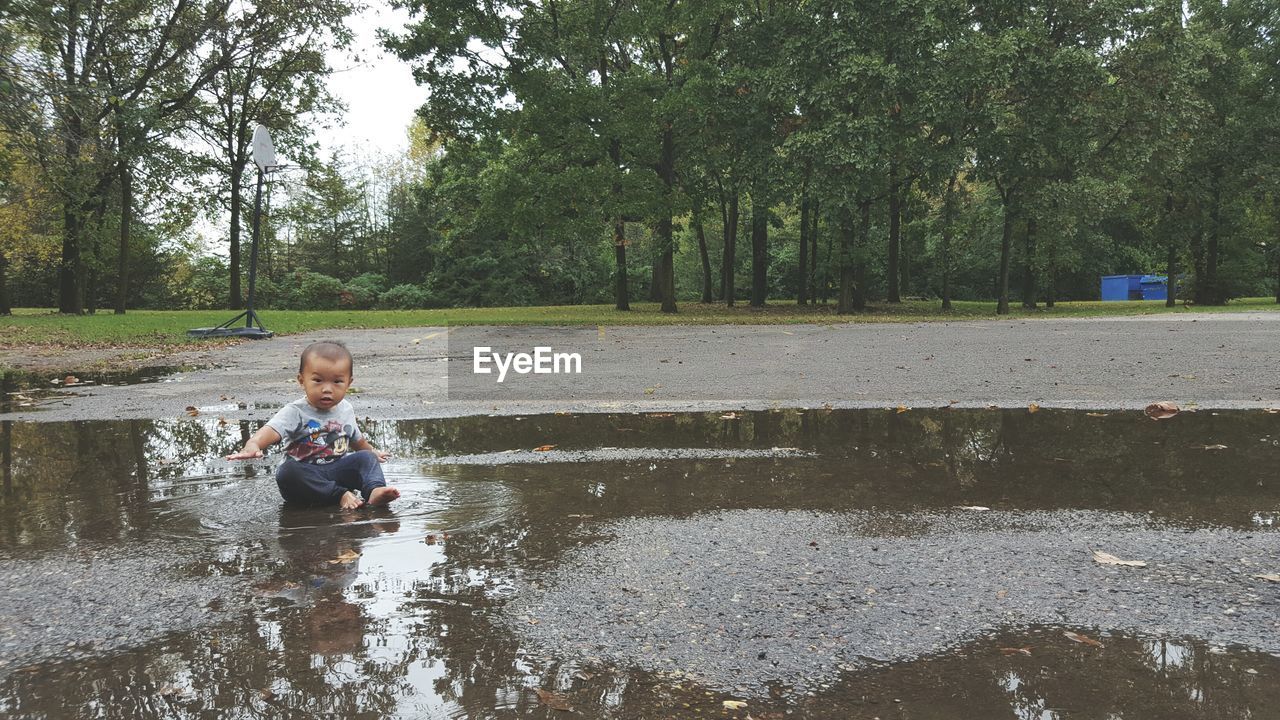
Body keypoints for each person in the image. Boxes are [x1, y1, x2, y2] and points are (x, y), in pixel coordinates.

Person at [226, 340, 400, 510]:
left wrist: (373, 452)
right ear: (302, 381)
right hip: (305, 481)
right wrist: (252, 445)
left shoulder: (346, 409)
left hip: (337, 472)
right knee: (286, 472)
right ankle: (340, 495)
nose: (327, 389)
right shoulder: (295, 411)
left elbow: (357, 441)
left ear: (349, 383)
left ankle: (374, 490)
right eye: (318, 380)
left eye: (337, 382)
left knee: (366, 457)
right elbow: (268, 431)